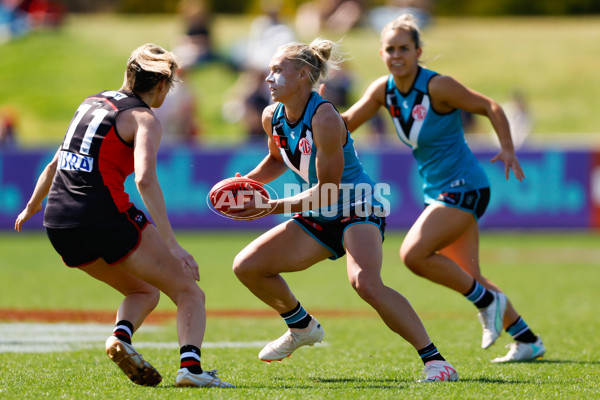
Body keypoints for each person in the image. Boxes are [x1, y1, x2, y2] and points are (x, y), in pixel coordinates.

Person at [228, 38, 458, 382]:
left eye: (278, 70)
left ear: (304, 75)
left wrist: (272, 205)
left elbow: (329, 190)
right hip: (318, 214)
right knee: (247, 266)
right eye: (270, 70)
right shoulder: (270, 116)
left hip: (357, 206)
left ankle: (436, 361)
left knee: (365, 282)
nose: (268, 77)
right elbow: (279, 159)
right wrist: (246, 182)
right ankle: (301, 327)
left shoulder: (324, 118)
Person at [14, 43, 232, 388]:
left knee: (144, 292)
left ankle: (121, 338)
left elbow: (56, 163)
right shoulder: (145, 119)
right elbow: (145, 179)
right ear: (162, 86)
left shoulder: (90, 103)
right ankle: (191, 368)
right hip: (103, 214)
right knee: (189, 291)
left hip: (58, 222)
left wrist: (32, 204)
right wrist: (174, 246)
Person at [339, 14, 544, 362]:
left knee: (413, 255)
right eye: (390, 49)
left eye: (404, 48)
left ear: (418, 51)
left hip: (465, 186)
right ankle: (527, 339)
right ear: (381, 53)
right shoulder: (382, 90)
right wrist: (307, 117)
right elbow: (342, 125)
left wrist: (507, 148)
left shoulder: (437, 86)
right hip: (438, 190)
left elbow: (489, 106)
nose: (397, 55)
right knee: (470, 275)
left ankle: (487, 303)